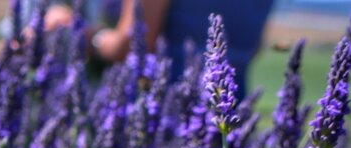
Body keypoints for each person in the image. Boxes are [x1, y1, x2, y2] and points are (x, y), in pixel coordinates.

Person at [41, 0, 276, 91]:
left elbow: (133, 44)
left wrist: (89, 36)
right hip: (232, 105)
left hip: (166, 106)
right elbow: (254, 47)